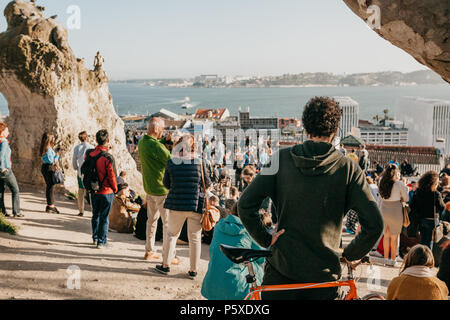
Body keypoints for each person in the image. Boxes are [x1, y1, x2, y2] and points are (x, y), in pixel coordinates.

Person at [238, 97, 384, 300]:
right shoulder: (349, 169)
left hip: (281, 272)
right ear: (335, 131)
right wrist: (350, 254)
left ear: (306, 128)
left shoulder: (280, 159)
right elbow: (374, 225)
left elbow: (245, 204)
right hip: (323, 277)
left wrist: (265, 238)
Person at [155, 134, 211, 279]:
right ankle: (193, 270)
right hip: (195, 205)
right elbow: (208, 184)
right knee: (195, 238)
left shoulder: (172, 162)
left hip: (176, 204)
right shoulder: (200, 162)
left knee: (171, 235)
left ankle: (165, 265)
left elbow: (166, 184)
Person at [201, 203, 266, 300]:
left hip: (212, 285)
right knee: (257, 268)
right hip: (237, 290)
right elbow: (261, 258)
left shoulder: (218, 226)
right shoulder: (249, 231)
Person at [138, 117, 172, 261]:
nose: (163, 132)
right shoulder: (156, 147)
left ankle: (149, 250)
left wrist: (163, 141)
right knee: (168, 225)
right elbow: (171, 160)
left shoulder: (143, 142)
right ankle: (168, 255)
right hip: (162, 190)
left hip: (149, 189)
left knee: (151, 221)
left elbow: (156, 146)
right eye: (163, 129)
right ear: (156, 128)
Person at [86, 130, 118, 249]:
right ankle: (101, 241)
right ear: (108, 141)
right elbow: (112, 176)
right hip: (106, 191)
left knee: (95, 215)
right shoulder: (108, 157)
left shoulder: (90, 154)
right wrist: (115, 189)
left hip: (94, 190)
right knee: (104, 217)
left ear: (96, 140)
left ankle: (95, 238)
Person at [378, 164, 409, 265]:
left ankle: (386, 258)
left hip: (384, 209)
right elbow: (406, 198)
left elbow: (381, 197)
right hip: (395, 209)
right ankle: (393, 259)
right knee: (394, 237)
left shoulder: (381, 182)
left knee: (386, 236)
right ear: (395, 173)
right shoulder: (399, 184)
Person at [410, 171, 445, 249]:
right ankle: (427, 260)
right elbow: (442, 207)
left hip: (421, 220)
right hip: (432, 221)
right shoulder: (436, 194)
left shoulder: (418, 191)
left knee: (422, 241)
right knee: (429, 243)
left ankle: (420, 258)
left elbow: (412, 205)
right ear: (433, 183)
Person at [0, 123, 22, 218]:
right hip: (5, 171)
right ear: (2, 131)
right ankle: (16, 211)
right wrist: (2, 168)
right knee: (15, 190)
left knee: (0, 191)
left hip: (1, 171)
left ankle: (2, 211)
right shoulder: (4, 142)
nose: (8, 132)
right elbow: (1, 156)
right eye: (6, 131)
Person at [72, 131, 94, 217]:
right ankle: (93, 210)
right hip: (89, 173)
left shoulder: (77, 148)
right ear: (86, 137)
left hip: (80, 173)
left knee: (81, 192)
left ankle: (81, 211)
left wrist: (77, 168)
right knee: (91, 192)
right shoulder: (91, 147)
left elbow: (74, 161)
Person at [39, 133, 61, 214]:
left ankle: (50, 205)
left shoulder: (44, 148)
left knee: (49, 186)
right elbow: (51, 161)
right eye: (52, 138)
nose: (54, 139)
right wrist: (57, 155)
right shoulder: (48, 149)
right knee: (50, 187)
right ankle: (50, 206)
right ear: (49, 139)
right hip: (48, 168)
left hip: (45, 167)